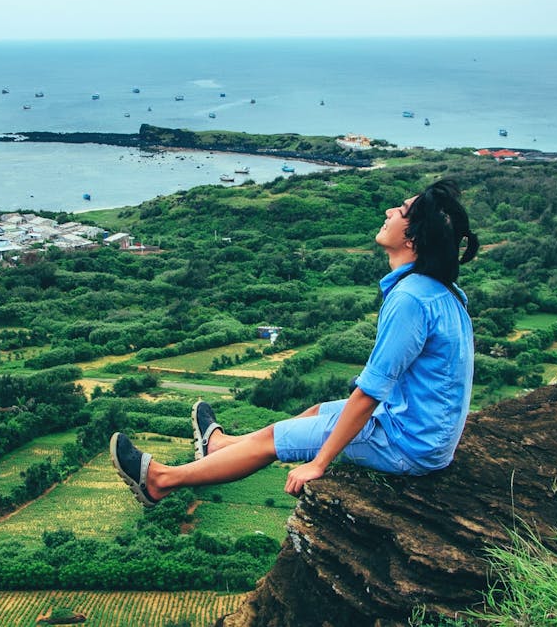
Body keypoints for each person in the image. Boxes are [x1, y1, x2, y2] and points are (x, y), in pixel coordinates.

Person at [111, 179, 479, 507]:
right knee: (318, 410)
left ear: (413, 238)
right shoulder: (442, 291)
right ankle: (221, 446)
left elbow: (370, 393)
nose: (388, 211)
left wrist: (319, 464)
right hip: (421, 431)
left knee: (275, 438)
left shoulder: (410, 300)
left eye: (400, 211)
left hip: (407, 444)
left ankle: (160, 482)